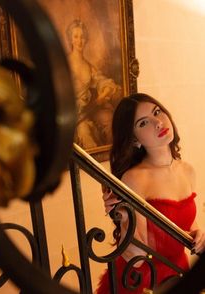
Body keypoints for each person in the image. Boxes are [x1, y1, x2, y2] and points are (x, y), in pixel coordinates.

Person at [96, 93, 205, 293]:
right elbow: (136, 257)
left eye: (157, 112)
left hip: (178, 271)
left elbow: (187, 223)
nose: (157, 122)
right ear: (134, 139)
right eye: (143, 123)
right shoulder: (135, 179)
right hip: (141, 280)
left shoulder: (187, 170)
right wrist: (123, 214)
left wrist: (197, 235)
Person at [66, 19, 122, 150]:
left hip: (91, 108)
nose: (80, 41)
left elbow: (101, 80)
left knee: (109, 119)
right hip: (75, 113)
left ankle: (115, 154)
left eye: (82, 37)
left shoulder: (89, 67)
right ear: (71, 39)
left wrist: (106, 90)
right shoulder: (65, 65)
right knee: (84, 132)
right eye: (76, 37)